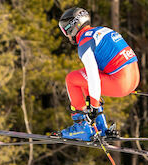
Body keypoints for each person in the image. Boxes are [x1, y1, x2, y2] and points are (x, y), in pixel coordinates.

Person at [53, 7, 139, 141]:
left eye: (65, 31)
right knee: (83, 77)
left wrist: (93, 106)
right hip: (133, 78)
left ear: (72, 27)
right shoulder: (101, 30)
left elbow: (93, 76)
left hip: (120, 82)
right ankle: (100, 126)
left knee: (71, 79)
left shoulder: (85, 42)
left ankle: (81, 127)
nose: (67, 36)